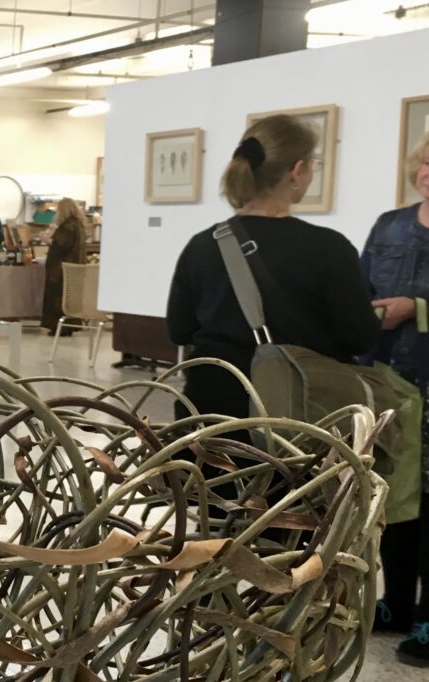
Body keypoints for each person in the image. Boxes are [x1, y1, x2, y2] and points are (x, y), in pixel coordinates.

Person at [166, 114, 380, 426]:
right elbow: (360, 338)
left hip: (207, 414)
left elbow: (179, 330)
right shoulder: (329, 248)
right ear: (297, 171)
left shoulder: (202, 244)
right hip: (294, 423)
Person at [361, 132, 429, 666]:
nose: (427, 171)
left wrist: (419, 309)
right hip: (390, 382)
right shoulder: (389, 224)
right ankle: (396, 603)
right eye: (425, 162)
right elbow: (359, 290)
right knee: (396, 499)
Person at [41, 197, 88, 335]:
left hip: (60, 269)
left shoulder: (67, 226)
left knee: (58, 298)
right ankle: (70, 326)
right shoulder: (79, 225)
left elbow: (60, 246)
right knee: (70, 299)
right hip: (74, 268)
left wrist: (48, 240)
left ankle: (59, 327)